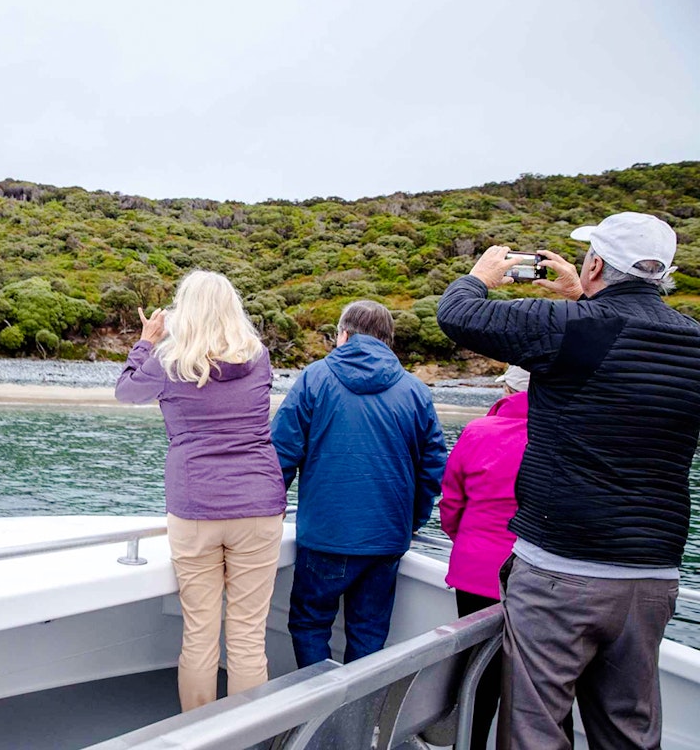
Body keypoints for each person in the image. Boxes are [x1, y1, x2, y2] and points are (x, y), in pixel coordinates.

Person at [436, 211, 700, 750]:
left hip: (562, 570)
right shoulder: (691, 340)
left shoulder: (570, 329)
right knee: (629, 730)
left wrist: (480, 278)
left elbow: (457, 314)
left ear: (596, 262)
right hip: (652, 576)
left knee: (535, 728)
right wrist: (585, 299)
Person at [115, 270, 287, 712]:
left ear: (182, 312)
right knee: (249, 637)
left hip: (195, 506)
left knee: (199, 634)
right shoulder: (260, 357)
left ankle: (200, 737)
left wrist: (146, 340)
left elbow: (125, 391)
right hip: (258, 504)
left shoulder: (168, 362)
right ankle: (249, 737)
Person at [270, 300, 447, 668]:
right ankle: (355, 723)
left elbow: (280, 456)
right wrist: (411, 520)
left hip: (325, 535)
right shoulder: (415, 391)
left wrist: (267, 513)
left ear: (344, 335)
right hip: (386, 539)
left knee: (309, 624)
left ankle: (318, 716)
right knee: (368, 633)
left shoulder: (314, 378)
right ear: (387, 340)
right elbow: (433, 468)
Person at [440, 365, 575, 750]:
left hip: (477, 571)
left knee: (477, 677)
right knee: (542, 681)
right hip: (543, 574)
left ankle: (470, 743)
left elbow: (452, 502)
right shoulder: (564, 437)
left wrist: (463, 540)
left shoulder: (479, 432)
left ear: (506, 389)